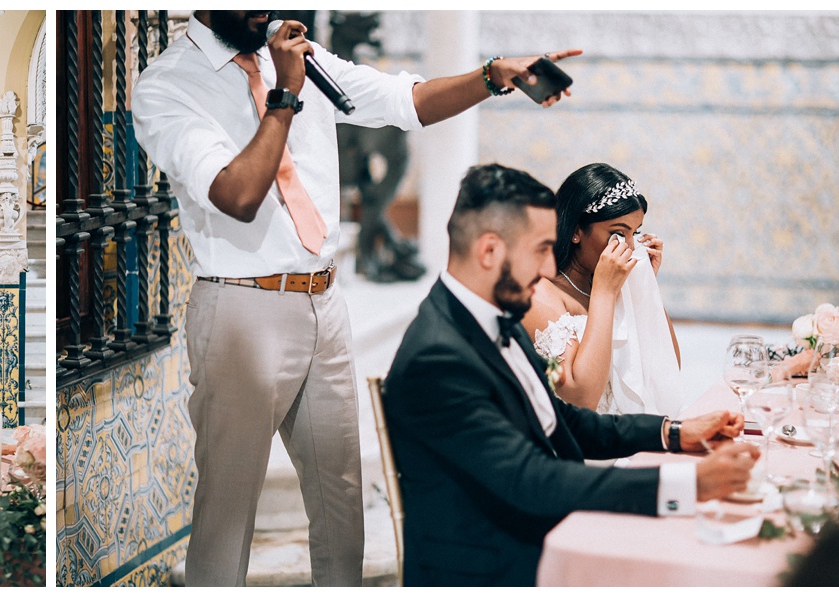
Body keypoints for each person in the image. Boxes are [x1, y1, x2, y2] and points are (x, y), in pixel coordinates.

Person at [131, 9, 580, 586]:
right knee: (228, 507)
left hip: (325, 301)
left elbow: (404, 102)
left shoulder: (295, 57)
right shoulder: (168, 84)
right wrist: (285, 97)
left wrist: (493, 75)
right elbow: (236, 193)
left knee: (340, 497)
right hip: (243, 309)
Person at [383, 164, 759, 586]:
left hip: (535, 522)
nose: (549, 265)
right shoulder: (439, 358)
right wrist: (683, 483)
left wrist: (674, 433)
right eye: (541, 249)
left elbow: (563, 422)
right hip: (496, 561)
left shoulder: (490, 316)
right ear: (489, 252)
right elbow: (531, 479)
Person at [521, 163, 684, 416]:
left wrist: (643, 289)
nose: (628, 247)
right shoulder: (540, 293)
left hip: (625, 435)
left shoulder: (614, 286)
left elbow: (667, 367)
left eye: (635, 233)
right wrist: (605, 293)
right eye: (618, 234)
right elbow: (580, 397)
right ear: (577, 231)